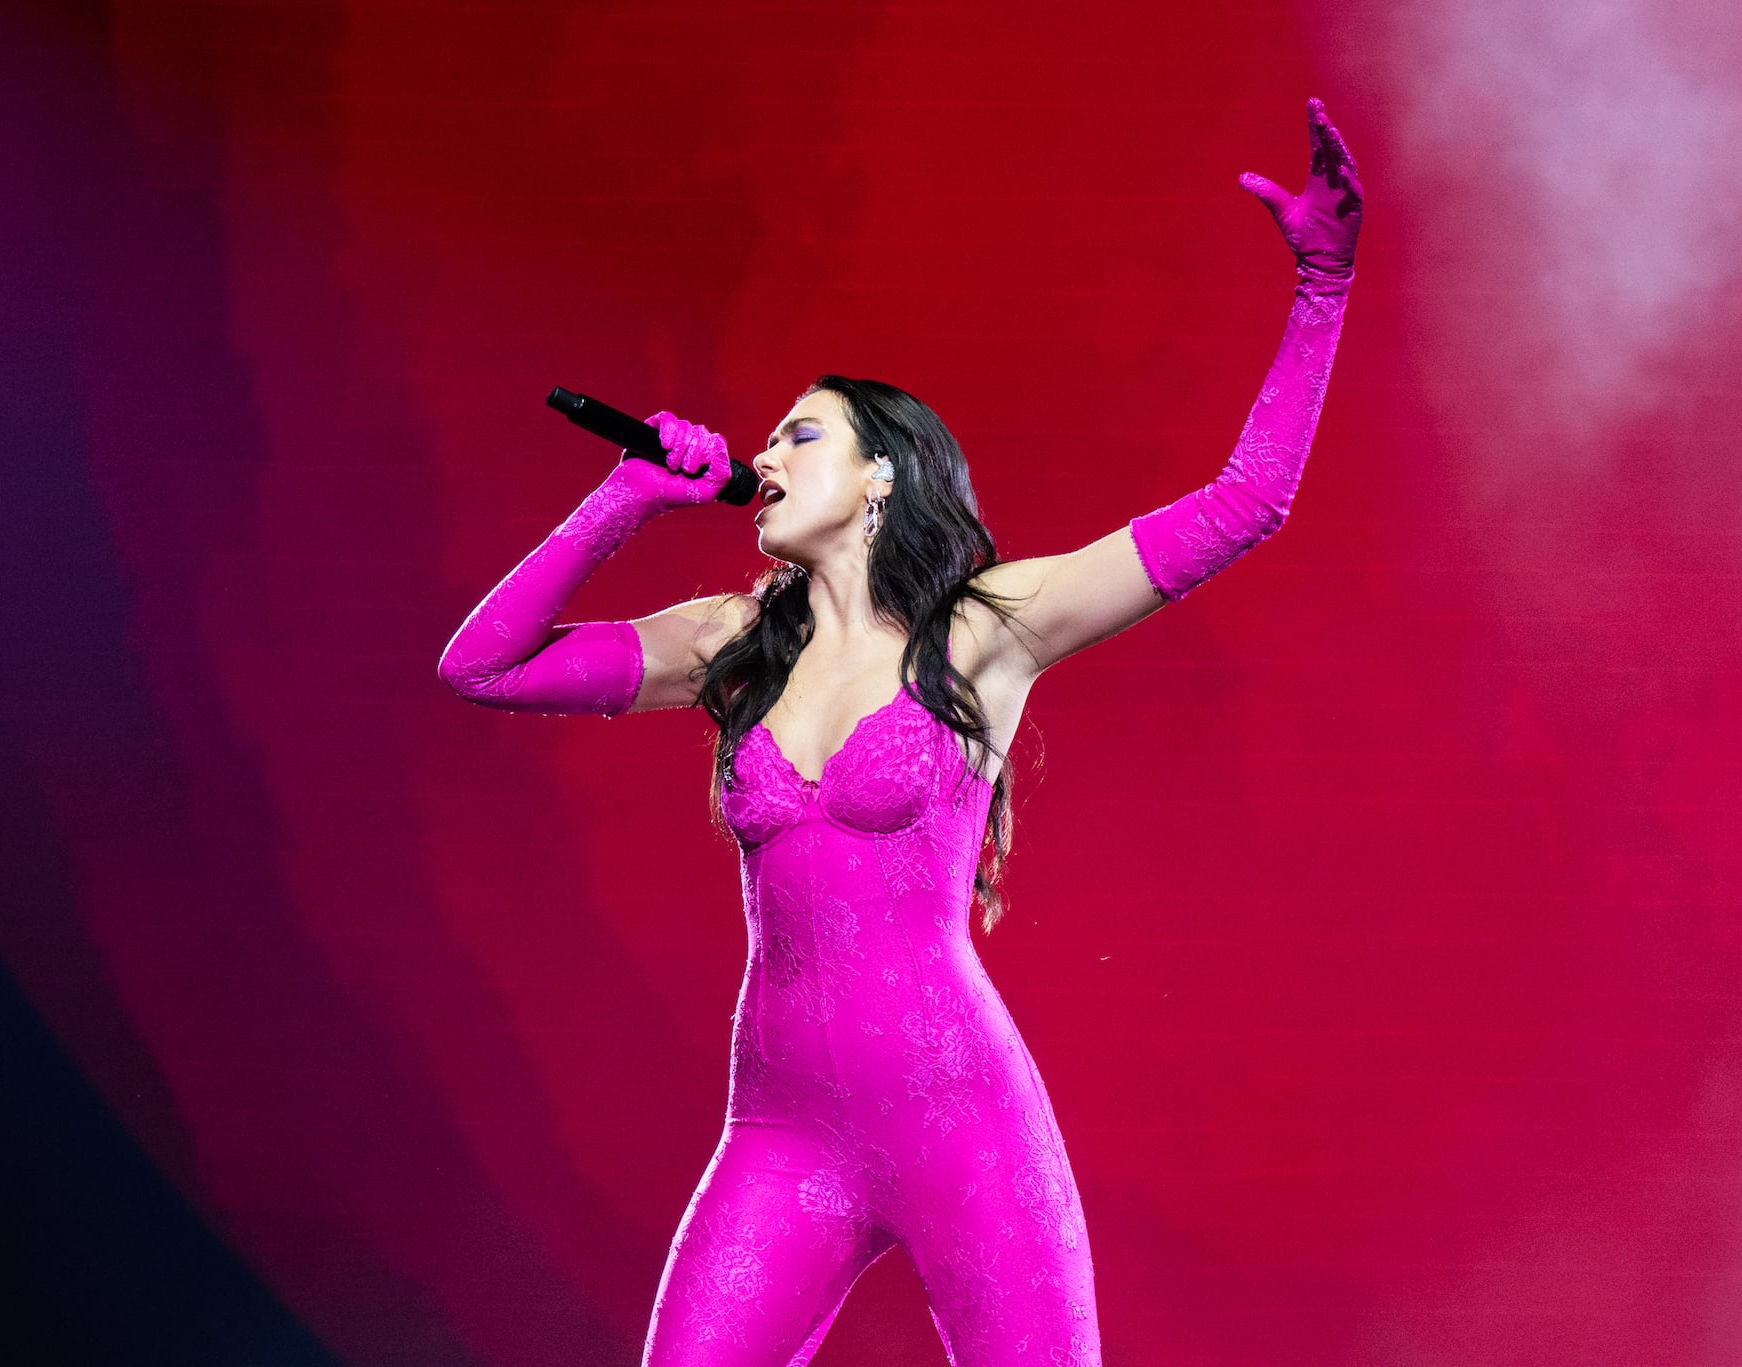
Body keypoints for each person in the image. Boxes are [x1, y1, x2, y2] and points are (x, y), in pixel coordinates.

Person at [437, 98, 1363, 1367]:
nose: (765, 451)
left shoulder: (983, 628)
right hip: (780, 1140)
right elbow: (482, 666)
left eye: (800, 432)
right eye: (768, 436)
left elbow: (1247, 501)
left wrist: (1321, 286)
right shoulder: (730, 643)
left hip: (961, 1128)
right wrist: (625, 498)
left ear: (881, 473)